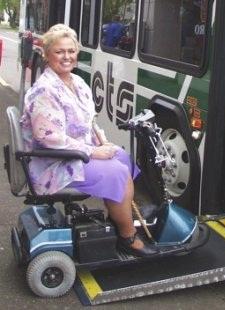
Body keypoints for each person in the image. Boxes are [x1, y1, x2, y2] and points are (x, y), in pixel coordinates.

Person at [20, 24, 156, 257]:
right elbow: (48, 137)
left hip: (73, 153)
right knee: (116, 172)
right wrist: (93, 152)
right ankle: (127, 236)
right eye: (59, 51)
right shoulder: (45, 90)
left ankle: (119, 216)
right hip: (52, 164)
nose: (67, 57)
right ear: (47, 54)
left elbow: (89, 121)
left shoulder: (77, 82)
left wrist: (103, 142)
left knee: (123, 159)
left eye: (71, 51)